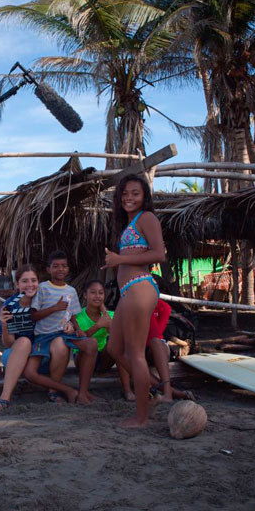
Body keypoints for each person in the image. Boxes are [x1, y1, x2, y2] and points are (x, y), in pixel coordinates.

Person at [102, 175, 166, 428]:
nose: (129, 197)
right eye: (125, 193)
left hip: (140, 288)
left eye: (136, 193)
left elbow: (159, 254)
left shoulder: (147, 218)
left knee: (135, 354)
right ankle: (154, 388)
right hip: (128, 291)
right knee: (114, 349)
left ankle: (141, 418)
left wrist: (119, 261)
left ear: (144, 197)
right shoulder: (130, 222)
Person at [0, 264, 79, 411]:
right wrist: (5, 325)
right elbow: (8, 343)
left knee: (60, 342)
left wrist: (70, 326)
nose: (30, 285)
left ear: (39, 282)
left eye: (33, 280)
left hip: (43, 357)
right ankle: (4, 399)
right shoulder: (10, 306)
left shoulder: (47, 300)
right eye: (25, 281)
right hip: (16, 356)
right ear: (17, 284)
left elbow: (65, 321)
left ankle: (54, 393)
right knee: (24, 342)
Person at [31, 251, 99, 405]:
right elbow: (33, 316)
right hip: (45, 335)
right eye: (56, 266)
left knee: (91, 344)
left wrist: (78, 328)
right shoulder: (43, 288)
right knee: (61, 348)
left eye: (63, 266)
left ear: (68, 269)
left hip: (65, 333)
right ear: (48, 269)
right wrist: (54, 308)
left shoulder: (71, 291)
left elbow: (73, 315)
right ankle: (53, 392)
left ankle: (83, 392)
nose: (60, 269)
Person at [73, 279, 133, 400]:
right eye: (93, 292)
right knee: (92, 343)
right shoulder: (77, 316)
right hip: (82, 357)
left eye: (101, 293)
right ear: (85, 295)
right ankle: (84, 392)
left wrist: (106, 317)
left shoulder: (111, 315)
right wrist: (98, 326)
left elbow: (117, 338)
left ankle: (128, 391)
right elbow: (80, 339)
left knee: (118, 345)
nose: (97, 296)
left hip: (103, 360)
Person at [145, 299, 194, 402]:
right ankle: (173, 392)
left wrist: (148, 310)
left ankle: (167, 391)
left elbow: (156, 333)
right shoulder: (132, 303)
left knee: (156, 343)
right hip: (139, 345)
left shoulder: (164, 307)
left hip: (155, 344)